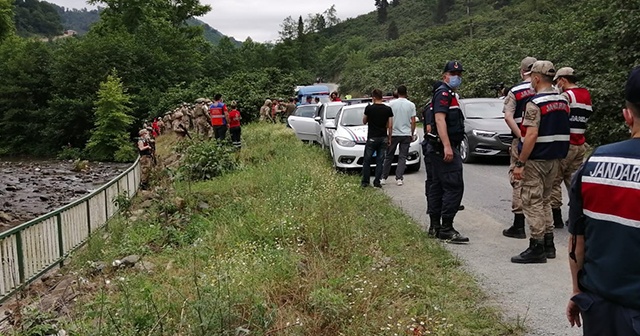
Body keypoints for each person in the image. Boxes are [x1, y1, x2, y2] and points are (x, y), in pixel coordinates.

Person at [566, 67, 640, 335]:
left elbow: (577, 241)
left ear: (627, 115)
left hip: (600, 309)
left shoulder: (595, 163)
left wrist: (577, 292)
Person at [511, 60, 570, 264]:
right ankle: (549, 243)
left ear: (536, 78)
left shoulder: (535, 103)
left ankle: (536, 245)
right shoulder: (563, 100)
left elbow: (531, 135)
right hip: (555, 157)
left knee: (532, 201)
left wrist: (520, 163)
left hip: (536, 159)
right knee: (545, 200)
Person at [427, 61, 469, 244]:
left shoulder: (446, 93)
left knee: (436, 186)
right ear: (445, 75)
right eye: (453, 73)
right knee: (453, 186)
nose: (457, 76)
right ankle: (446, 228)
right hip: (444, 147)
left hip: (436, 148)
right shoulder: (444, 93)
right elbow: (439, 119)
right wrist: (447, 146)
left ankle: (435, 226)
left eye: (459, 73)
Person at [550, 67, 593, 228]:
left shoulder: (566, 96)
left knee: (555, 181)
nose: (556, 84)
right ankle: (577, 215)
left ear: (563, 80)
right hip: (580, 143)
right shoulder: (586, 95)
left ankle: (557, 218)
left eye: (557, 81)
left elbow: (559, 118)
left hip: (565, 144)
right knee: (574, 182)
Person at [502, 57, 538, 239]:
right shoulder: (550, 90)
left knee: (518, 178)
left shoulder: (515, 91)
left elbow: (508, 116)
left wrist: (520, 136)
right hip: (543, 142)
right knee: (542, 181)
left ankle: (518, 225)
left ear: (521, 70)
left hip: (521, 140)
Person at [381, 85, 416, 186]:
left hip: (394, 134)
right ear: (406, 92)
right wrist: (412, 133)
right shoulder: (411, 105)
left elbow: (388, 120)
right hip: (406, 134)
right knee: (402, 157)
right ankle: (399, 178)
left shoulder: (390, 104)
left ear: (397, 92)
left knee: (389, 156)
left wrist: (388, 133)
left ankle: (384, 177)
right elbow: (413, 121)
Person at [361, 89, 393, 188]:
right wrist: (389, 138)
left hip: (372, 138)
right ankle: (377, 182)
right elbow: (390, 125)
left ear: (373, 97)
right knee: (380, 161)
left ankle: (365, 182)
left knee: (367, 161)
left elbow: (364, 121)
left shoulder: (369, 108)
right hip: (383, 137)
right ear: (382, 97)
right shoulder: (388, 109)